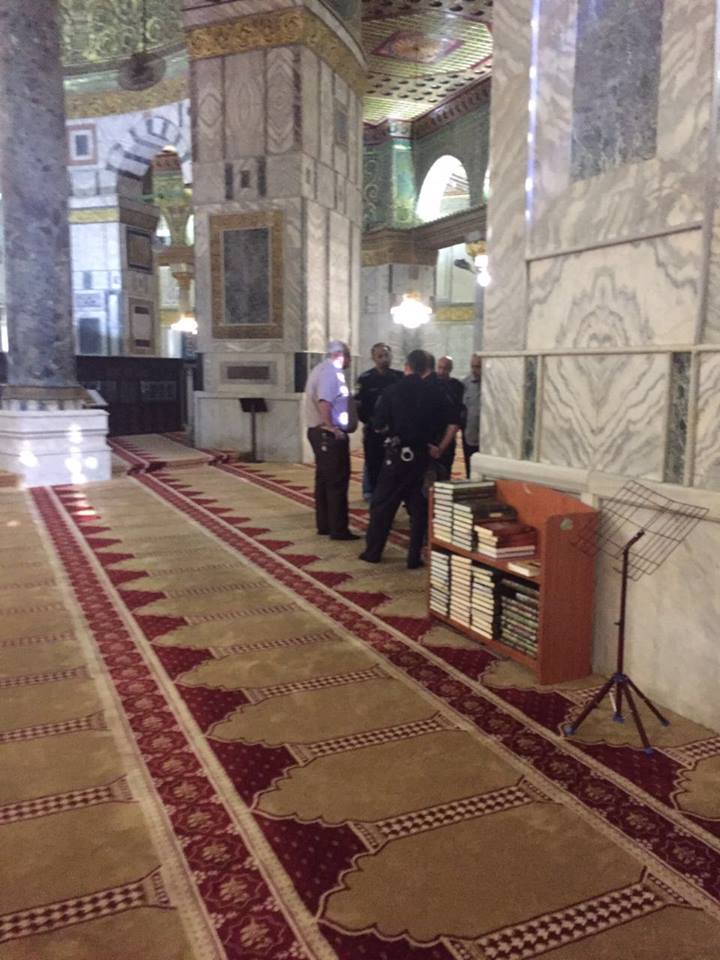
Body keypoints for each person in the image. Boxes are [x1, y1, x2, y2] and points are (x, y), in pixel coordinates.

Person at [359, 349, 458, 568]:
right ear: (426, 368)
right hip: (423, 456)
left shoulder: (392, 390)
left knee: (383, 504)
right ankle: (414, 557)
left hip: (397, 456)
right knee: (418, 507)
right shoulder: (436, 392)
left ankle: (373, 552)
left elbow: (378, 425)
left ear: (408, 367)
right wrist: (439, 448)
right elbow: (453, 422)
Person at [304, 340, 360, 541]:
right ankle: (338, 529)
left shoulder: (321, 369)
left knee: (324, 480)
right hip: (327, 435)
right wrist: (330, 427)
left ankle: (325, 524)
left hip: (319, 433)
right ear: (339, 355)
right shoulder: (330, 372)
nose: (350, 360)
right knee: (336, 481)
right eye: (348, 355)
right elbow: (325, 401)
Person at [355, 343, 403, 501]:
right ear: (373, 358)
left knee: (395, 464)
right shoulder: (365, 379)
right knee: (373, 463)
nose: (384, 359)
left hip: (394, 431)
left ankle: (392, 495)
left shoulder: (399, 378)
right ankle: (374, 494)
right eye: (380, 356)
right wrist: (374, 424)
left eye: (386, 355)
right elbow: (359, 406)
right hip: (373, 430)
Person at [436, 355, 463, 478]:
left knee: (445, 470)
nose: (441, 371)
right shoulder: (430, 384)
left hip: (449, 433)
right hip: (433, 433)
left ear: (450, 369)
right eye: (439, 368)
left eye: (445, 368)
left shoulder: (457, 386)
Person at [462, 352, 482, 477]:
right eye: (472, 366)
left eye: (478, 367)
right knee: (471, 471)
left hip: (487, 439)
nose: (475, 370)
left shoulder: (492, 384)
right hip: (470, 435)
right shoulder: (465, 384)